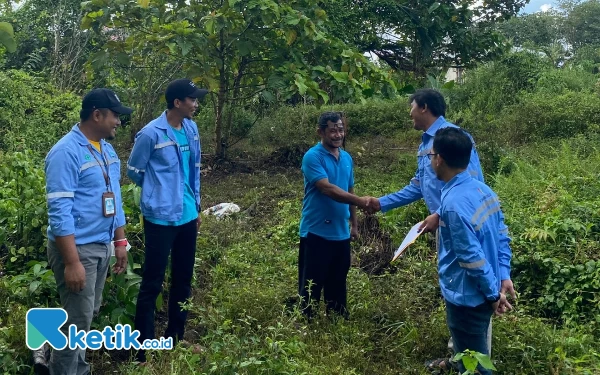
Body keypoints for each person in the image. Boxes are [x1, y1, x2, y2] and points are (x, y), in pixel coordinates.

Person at [363, 89, 516, 370]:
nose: (408, 113)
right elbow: (419, 186)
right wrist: (381, 203)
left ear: (423, 107)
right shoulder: (427, 145)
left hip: (457, 224)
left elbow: (469, 190)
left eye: (410, 107)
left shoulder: (453, 140)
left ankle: (476, 361)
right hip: (446, 226)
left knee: (472, 293)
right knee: (459, 294)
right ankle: (460, 357)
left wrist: (441, 212)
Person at [44, 88, 132, 375]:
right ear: (97, 115)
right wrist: (71, 263)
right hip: (77, 249)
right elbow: (60, 213)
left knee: (86, 314)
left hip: (101, 244)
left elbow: (114, 198)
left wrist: (120, 241)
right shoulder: (65, 152)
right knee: (79, 319)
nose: (118, 121)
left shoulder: (106, 149)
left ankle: (61, 358)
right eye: (115, 116)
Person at [127, 78, 207, 363]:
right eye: (193, 99)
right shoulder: (150, 133)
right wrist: (158, 191)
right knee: (152, 282)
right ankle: (141, 349)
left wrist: (195, 207)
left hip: (187, 215)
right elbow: (134, 171)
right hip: (160, 218)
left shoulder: (191, 129)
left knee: (183, 279)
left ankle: (175, 337)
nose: (196, 104)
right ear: (177, 102)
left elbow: (193, 170)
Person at [428, 127, 514, 375]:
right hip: (483, 289)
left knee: (476, 364)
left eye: (431, 154)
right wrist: (504, 275)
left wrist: (492, 295)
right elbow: (501, 235)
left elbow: (471, 258)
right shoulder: (482, 190)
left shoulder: (454, 203)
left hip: (467, 296)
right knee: (469, 352)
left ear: (439, 159)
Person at [298, 111, 368, 320]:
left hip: (341, 232)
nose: (338, 135)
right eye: (332, 130)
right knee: (311, 282)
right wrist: (363, 202)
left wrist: (354, 224)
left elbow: (349, 190)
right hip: (316, 231)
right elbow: (327, 189)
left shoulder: (346, 158)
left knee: (338, 280)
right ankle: (306, 321)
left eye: (341, 130)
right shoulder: (313, 157)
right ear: (320, 131)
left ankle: (337, 318)